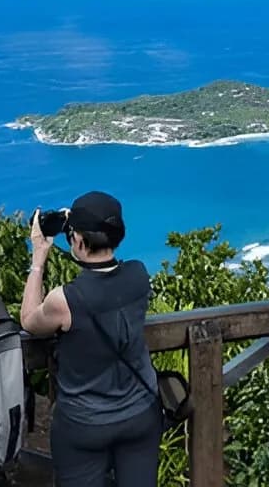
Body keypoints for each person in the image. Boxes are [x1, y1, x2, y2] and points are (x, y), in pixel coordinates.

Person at [20, 191, 161, 487]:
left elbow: (29, 321)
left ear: (80, 242)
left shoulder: (65, 299)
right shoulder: (138, 274)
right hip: (140, 412)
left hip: (85, 424)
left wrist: (39, 256)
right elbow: (104, 282)